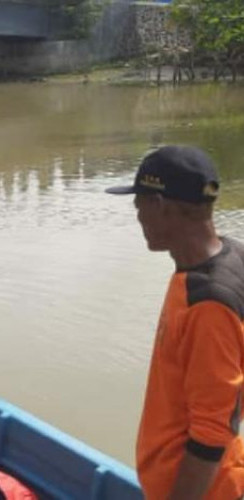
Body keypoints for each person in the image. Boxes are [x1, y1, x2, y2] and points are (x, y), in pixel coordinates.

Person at [106, 145, 244, 499]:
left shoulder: (209, 302)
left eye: (139, 206)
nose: (138, 218)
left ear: (160, 206)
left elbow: (211, 434)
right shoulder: (228, 259)